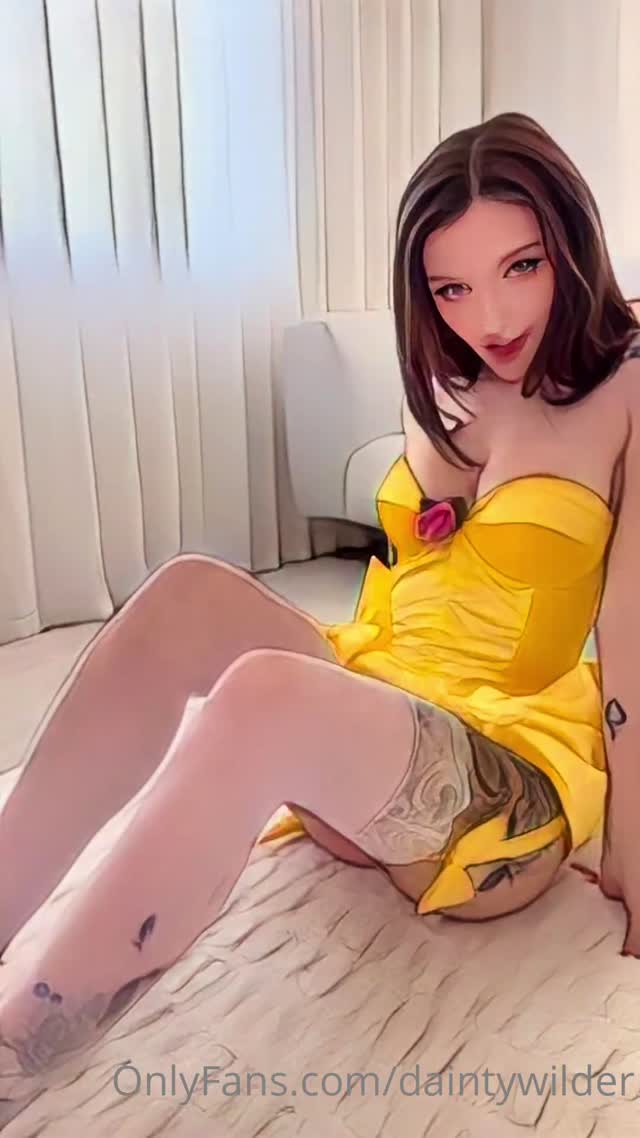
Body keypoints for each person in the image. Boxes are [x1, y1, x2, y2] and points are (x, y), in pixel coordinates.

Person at [1, 110, 639, 1108]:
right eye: (451, 288)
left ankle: (19, 1047)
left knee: (262, 692)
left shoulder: (627, 387)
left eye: (521, 266)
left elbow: (631, 641)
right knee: (187, 593)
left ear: (572, 244)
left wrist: (631, 851)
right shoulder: (452, 378)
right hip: (371, 725)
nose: (491, 315)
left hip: (495, 792)